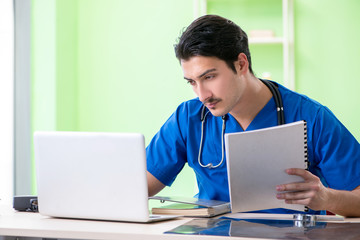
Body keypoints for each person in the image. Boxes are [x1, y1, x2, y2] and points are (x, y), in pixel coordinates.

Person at [146, 15, 360, 217]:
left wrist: (327, 198)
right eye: (192, 82)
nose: (202, 95)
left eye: (209, 77)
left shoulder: (312, 117)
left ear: (241, 64)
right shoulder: (189, 118)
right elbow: (139, 187)